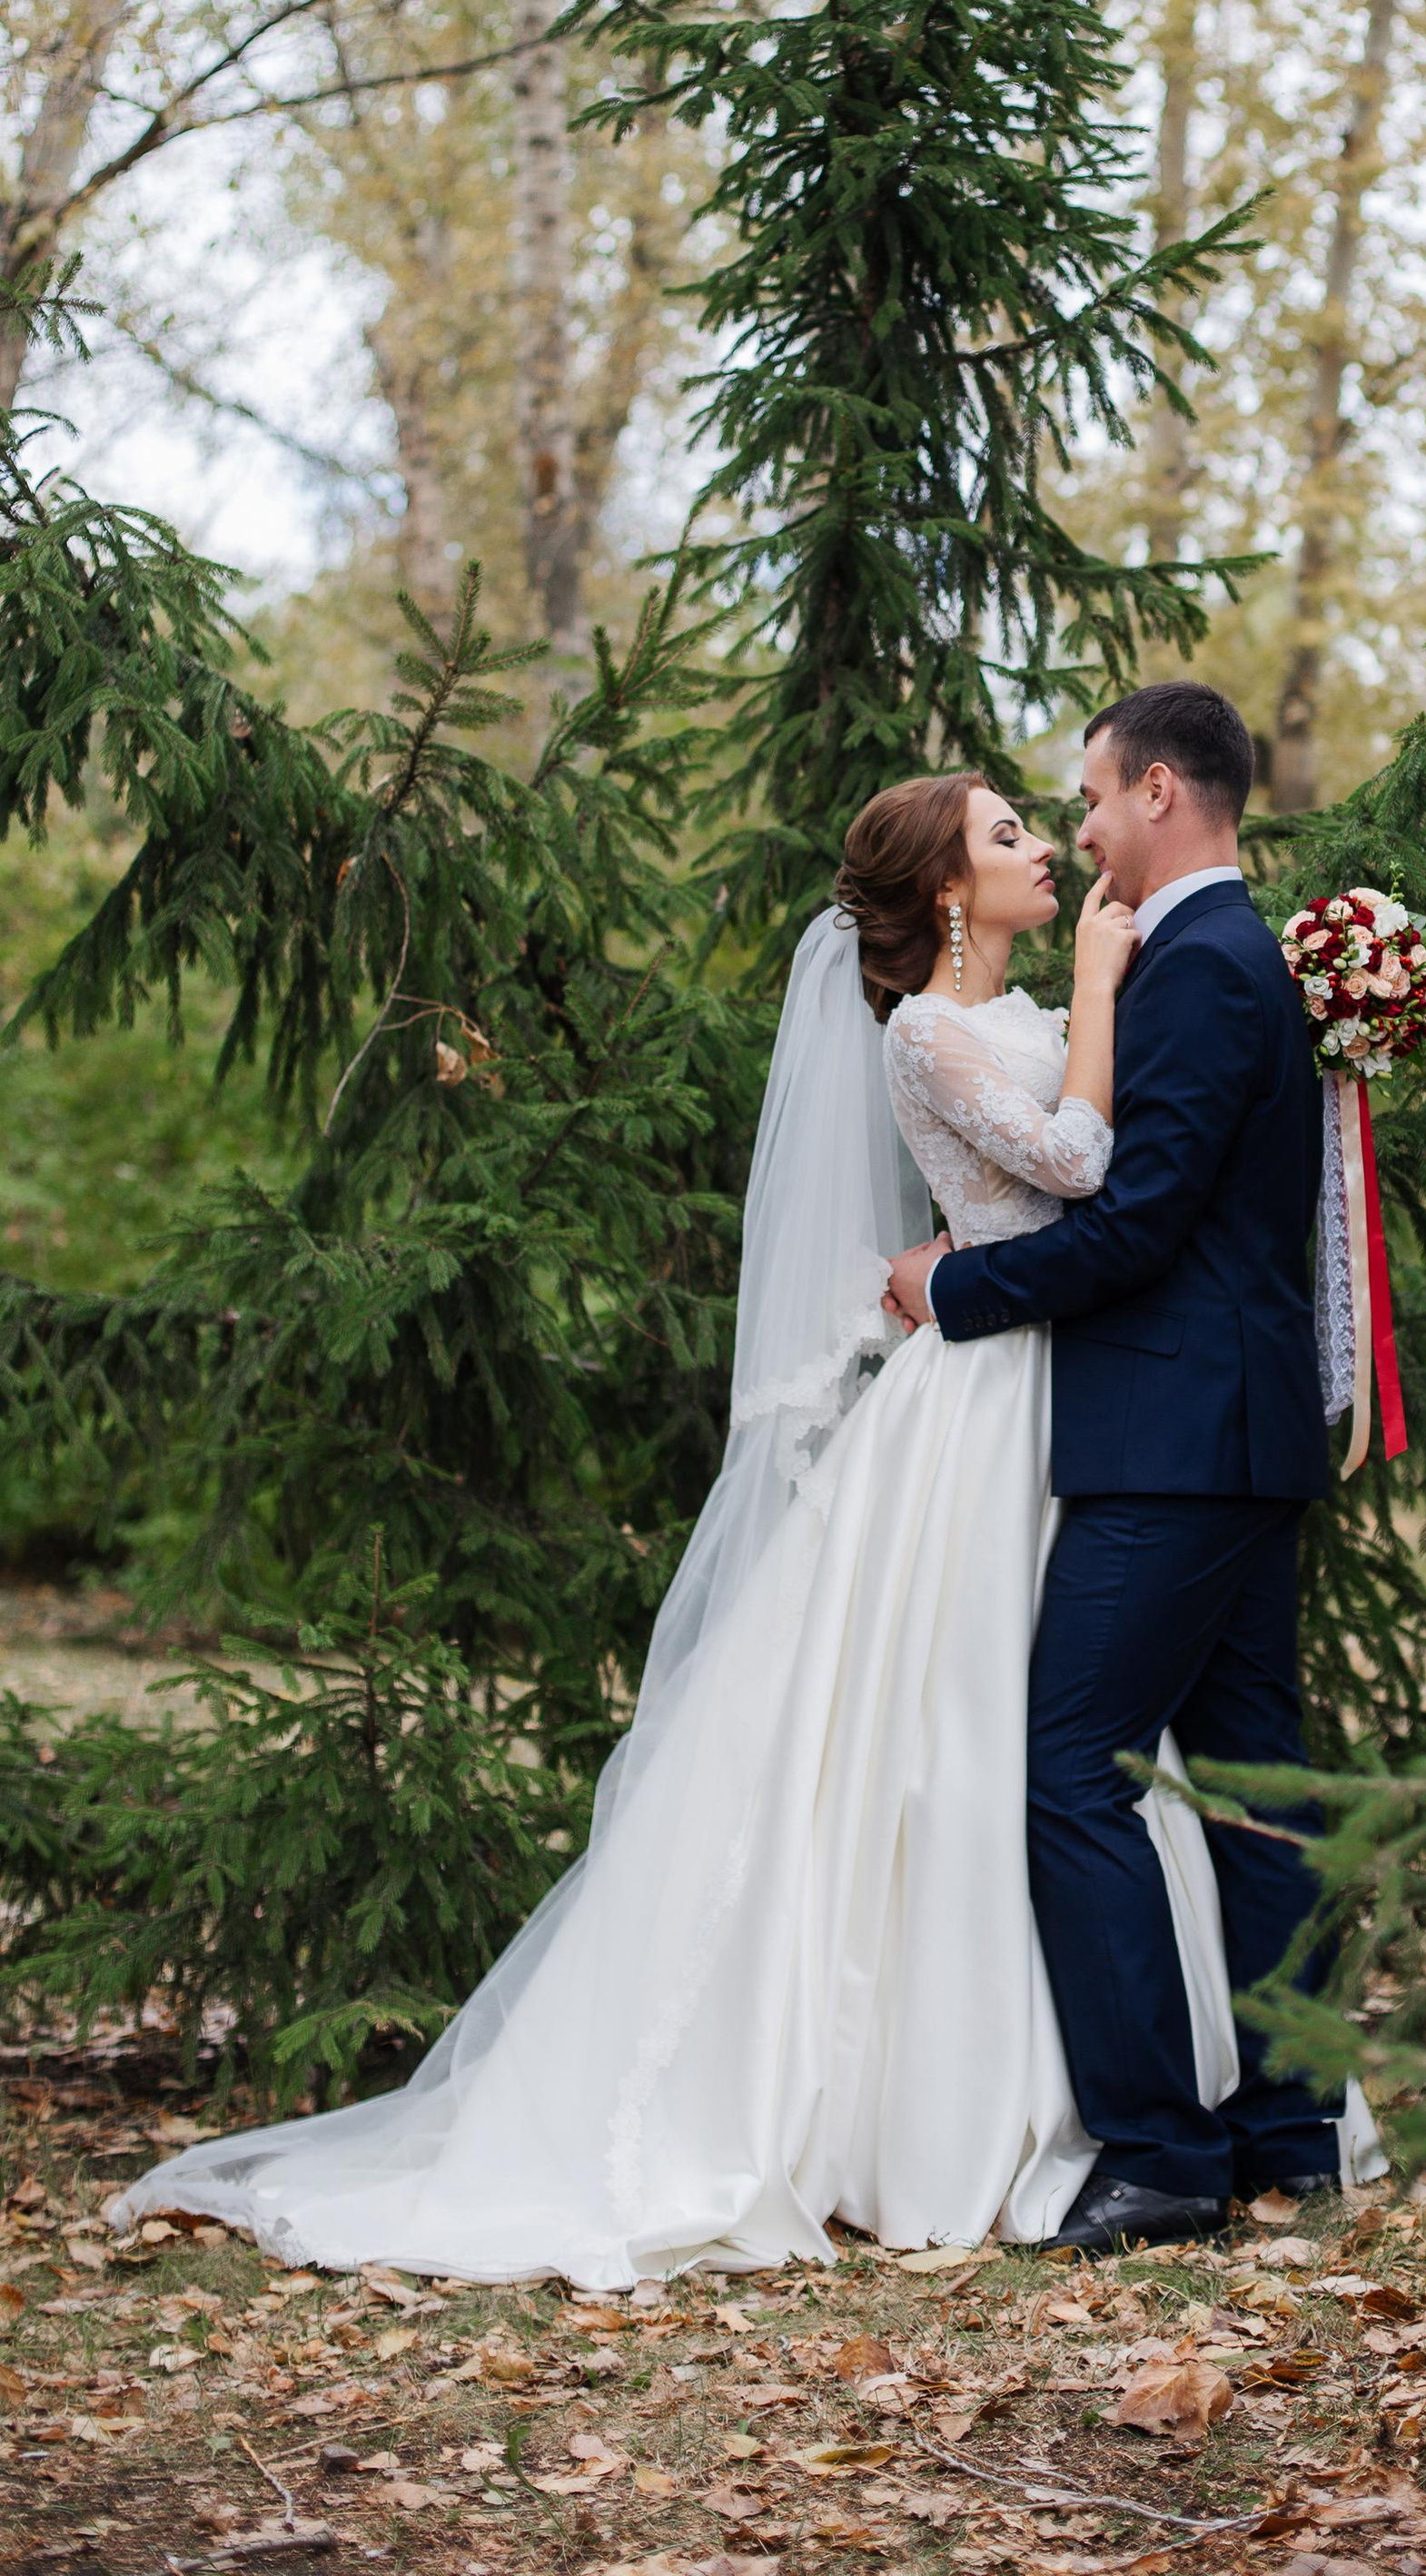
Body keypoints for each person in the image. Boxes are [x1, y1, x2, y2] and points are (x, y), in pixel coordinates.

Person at [110, 772, 1257, 2284]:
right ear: (940, 895)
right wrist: (1104, 990)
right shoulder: (926, 1031)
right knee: (952, 1727)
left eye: (1038, 826)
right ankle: (915, 2110)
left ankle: (1082, 2092)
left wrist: (1079, 1011)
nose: (1046, 844)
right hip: (974, 1410)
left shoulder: (1036, 1008)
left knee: (1040, 1735)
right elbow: (1077, 1168)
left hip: (1066, 1398)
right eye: (1005, 837)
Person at [885, 680, 1374, 2256]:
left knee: (1074, 1768)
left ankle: (1163, 2151)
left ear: (1161, 792)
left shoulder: (1203, 969)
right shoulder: (1227, 957)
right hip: (1226, 1433)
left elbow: (1140, 1221)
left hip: (1175, 1440)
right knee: (1249, 1786)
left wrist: (954, 1291)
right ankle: (1287, 2133)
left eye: (1091, 798)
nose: (1080, 828)